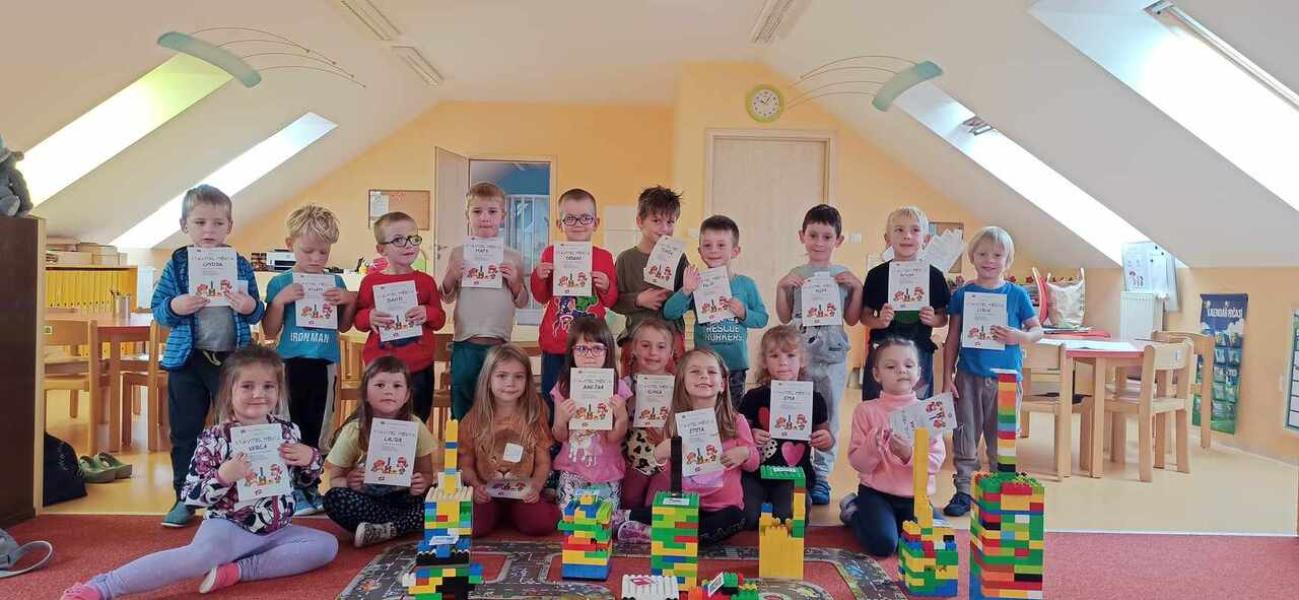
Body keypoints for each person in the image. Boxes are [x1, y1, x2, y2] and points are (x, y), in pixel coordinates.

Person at [60, 346, 336, 599]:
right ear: (228, 391)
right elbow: (191, 495)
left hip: (277, 529)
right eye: (247, 386)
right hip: (229, 527)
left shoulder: (287, 431)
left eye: (268, 386)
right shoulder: (215, 438)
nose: (258, 394)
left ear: (279, 391)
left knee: (325, 546)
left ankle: (236, 571)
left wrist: (310, 458)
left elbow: (301, 480)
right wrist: (224, 476)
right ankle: (103, 586)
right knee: (195, 558)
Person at [151, 184, 265, 527]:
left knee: (237, 429)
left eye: (217, 223)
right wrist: (176, 305)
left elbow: (256, 311)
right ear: (184, 225)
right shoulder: (177, 264)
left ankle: (237, 497)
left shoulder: (239, 264)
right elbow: (159, 310)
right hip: (188, 361)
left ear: (229, 226)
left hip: (231, 362)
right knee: (185, 430)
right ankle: (185, 497)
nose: (209, 230)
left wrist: (248, 305)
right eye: (200, 222)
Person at [940, 226, 1042, 517]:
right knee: (965, 434)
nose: (989, 260)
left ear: (1007, 260)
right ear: (972, 257)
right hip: (968, 377)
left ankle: (1002, 489)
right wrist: (947, 377)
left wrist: (1019, 336)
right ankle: (964, 489)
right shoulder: (963, 294)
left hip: (1006, 381)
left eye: (997, 255)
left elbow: (1037, 331)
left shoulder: (1017, 294)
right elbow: (952, 338)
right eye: (983, 254)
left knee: (1002, 439)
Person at [262, 205, 356, 514]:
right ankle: (288, 487)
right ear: (290, 244)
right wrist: (279, 302)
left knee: (317, 426)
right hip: (289, 364)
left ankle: (310, 485)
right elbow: (269, 330)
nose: (316, 258)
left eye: (323, 252)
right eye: (308, 251)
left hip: (324, 364)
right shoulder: (280, 283)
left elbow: (344, 326)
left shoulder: (336, 283)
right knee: (288, 425)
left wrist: (349, 301)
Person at [616, 349, 758, 546]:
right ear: (682, 382)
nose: (704, 376)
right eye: (695, 371)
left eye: (711, 372)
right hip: (683, 504)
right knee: (665, 510)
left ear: (723, 384)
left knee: (736, 518)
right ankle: (625, 517)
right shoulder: (673, 422)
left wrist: (745, 453)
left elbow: (754, 463)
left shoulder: (736, 421)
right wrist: (660, 454)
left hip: (722, 508)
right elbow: (666, 472)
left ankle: (660, 534)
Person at [775, 204, 863, 505]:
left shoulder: (843, 275)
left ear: (838, 240)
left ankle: (822, 476)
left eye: (827, 237)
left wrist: (857, 288)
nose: (819, 242)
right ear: (802, 236)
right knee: (796, 410)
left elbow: (852, 319)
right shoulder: (796, 275)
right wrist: (782, 287)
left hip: (833, 357)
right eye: (813, 235)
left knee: (829, 415)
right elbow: (784, 316)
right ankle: (797, 469)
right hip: (800, 357)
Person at [841, 338, 945, 557]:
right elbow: (858, 463)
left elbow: (935, 463)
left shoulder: (928, 412)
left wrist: (909, 455)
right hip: (876, 493)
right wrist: (872, 447)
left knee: (936, 543)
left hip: (916, 496)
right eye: (891, 366)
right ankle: (855, 511)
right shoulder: (865, 411)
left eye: (909, 365)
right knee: (885, 544)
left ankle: (894, 523)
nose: (901, 371)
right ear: (876, 374)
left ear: (919, 372)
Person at [322, 357, 437, 547]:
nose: (388, 391)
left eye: (397, 386)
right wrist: (349, 482)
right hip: (368, 501)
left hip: (405, 499)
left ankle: (389, 528)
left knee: (441, 494)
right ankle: (401, 525)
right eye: (380, 385)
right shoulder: (354, 430)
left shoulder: (416, 426)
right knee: (333, 498)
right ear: (365, 393)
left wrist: (421, 483)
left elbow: (426, 474)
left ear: (407, 395)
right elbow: (335, 480)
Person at [440, 182, 530, 419]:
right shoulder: (458, 253)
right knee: (463, 396)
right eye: (477, 211)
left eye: (492, 211)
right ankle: (462, 441)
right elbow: (446, 295)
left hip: (500, 342)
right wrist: (451, 275)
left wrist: (515, 281)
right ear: (467, 215)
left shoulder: (513, 256)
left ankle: (493, 441)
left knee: (498, 401)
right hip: (465, 341)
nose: (485, 218)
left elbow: (522, 301)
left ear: (503, 216)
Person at [530, 188, 619, 413]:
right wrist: (538, 276)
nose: (578, 224)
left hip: (592, 346)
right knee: (554, 399)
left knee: (592, 400)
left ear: (596, 223)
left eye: (585, 218)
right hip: (557, 343)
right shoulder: (550, 253)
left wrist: (606, 286)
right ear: (559, 224)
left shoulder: (604, 257)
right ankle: (555, 435)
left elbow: (611, 301)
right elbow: (541, 296)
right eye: (570, 218)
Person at [663, 215, 769, 404]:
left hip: (735, 366)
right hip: (703, 367)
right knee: (703, 410)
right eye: (707, 245)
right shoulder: (696, 283)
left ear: (735, 251)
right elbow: (669, 312)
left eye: (721, 245)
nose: (713, 250)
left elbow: (762, 318)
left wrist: (743, 313)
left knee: (732, 412)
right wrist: (686, 290)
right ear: (700, 251)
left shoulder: (746, 284)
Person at [460, 345, 562, 537]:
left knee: (541, 524)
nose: (510, 383)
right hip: (487, 494)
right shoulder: (473, 419)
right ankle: (500, 515)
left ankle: (524, 510)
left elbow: (543, 462)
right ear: (487, 380)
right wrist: (475, 487)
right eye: (502, 376)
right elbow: (465, 464)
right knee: (471, 527)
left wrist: (536, 487)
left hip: (522, 493)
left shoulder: (535, 413)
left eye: (518, 377)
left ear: (527, 381)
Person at [355, 211, 446, 422]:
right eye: (398, 240)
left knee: (417, 418)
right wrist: (369, 316)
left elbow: (439, 319)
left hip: (419, 366)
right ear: (381, 249)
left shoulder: (426, 281)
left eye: (413, 238)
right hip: (381, 368)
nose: (408, 245)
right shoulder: (370, 282)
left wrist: (427, 312)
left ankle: (414, 446)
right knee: (378, 420)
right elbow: (358, 320)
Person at [738, 325, 832, 529]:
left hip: (793, 474)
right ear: (764, 361)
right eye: (774, 356)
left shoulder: (814, 399)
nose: (783, 362)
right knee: (747, 517)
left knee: (789, 518)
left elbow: (827, 439)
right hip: (756, 475)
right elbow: (739, 436)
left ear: (802, 360)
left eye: (790, 355)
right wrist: (751, 435)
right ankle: (765, 503)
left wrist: (825, 439)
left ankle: (785, 502)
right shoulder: (754, 397)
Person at [860, 206, 951, 401]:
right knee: (877, 405)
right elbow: (864, 316)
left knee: (916, 408)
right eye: (899, 230)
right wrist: (879, 321)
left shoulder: (934, 276)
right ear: (888, 238)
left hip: (919, 351)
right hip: (882, 349)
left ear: (926, 239)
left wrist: (933, 319)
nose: (907, 236)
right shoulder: (876, 275)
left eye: (915, 230)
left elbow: (943, 317)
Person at [551, 316, 630, 509]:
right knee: (569, 519)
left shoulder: (617, 387)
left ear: (607, 351)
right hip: (572, 468)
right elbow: (560, 436)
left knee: (605, 520)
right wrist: (561, 420)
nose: (589, 355)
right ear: (572, 352)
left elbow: (614, 437)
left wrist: (621, 417)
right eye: (581, 348)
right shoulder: (564, 387)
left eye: (597, 348)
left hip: (606, 470)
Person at [611, 186, 689, 367]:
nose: (664, 228)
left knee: (674, 383)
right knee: (632, 384)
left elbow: (687, 300)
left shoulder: (680, 258)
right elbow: (614, 301)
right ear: (640, 221)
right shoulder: (626, 259)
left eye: (670, 222)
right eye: (656, 221)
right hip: (635, 337)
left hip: (672, 338)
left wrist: (686, 292)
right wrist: (638, 300)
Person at [618, 317, 676, 509]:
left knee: (656, 505)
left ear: (671, 352)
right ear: (634, 349)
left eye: (661, 347)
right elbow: (616, 429)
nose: (653, 352)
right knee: (629, 500)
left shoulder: (678, 386)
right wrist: (627, 406)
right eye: (645, 345)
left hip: (666, 463)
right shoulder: (624, 386)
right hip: (634, 462)